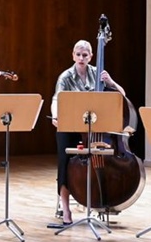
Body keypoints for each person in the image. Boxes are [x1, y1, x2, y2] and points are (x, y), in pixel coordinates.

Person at [50, 39, 127, 226]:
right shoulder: (65, 77)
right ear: (73, 55)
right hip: (69, 126)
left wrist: (110, 82)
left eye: (85, 55)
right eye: (78, 54)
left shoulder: (97, 73)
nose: (81, 58)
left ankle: (97, 203)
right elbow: (56, 100)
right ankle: (66, 209)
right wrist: (55, 116)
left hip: (93, 128)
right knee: (65, 163)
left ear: (91, 56)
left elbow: (122, 96)